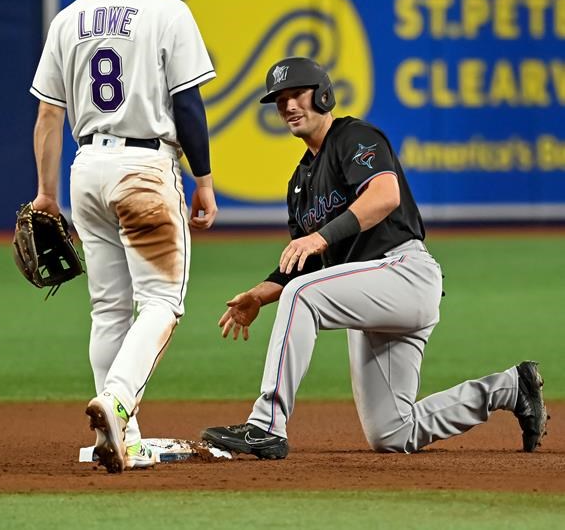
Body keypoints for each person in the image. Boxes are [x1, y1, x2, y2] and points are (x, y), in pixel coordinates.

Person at [202, 56, 547, 460]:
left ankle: (266, 426)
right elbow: (305, 262)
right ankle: (510, 388)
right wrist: (258, 295)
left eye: (296, 94)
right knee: (392, 433)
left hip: (405, 273)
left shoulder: (352, 136)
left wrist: (319, 237)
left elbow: (385, 196)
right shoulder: (299, 184)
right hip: (372, 293)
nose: (289, 106)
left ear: (323, 95)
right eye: (280, 100)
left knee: (302, 295)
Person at [30, 0, 217, 472]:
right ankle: (116, 403)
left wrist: (45, 195)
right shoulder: (169, 12)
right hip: (144, 165)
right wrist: (203, 179)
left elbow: (47, 115)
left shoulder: (69, 18)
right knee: (161, 301)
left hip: (86, 166)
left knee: (108, 308)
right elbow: (187, 103)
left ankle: (124, 438)